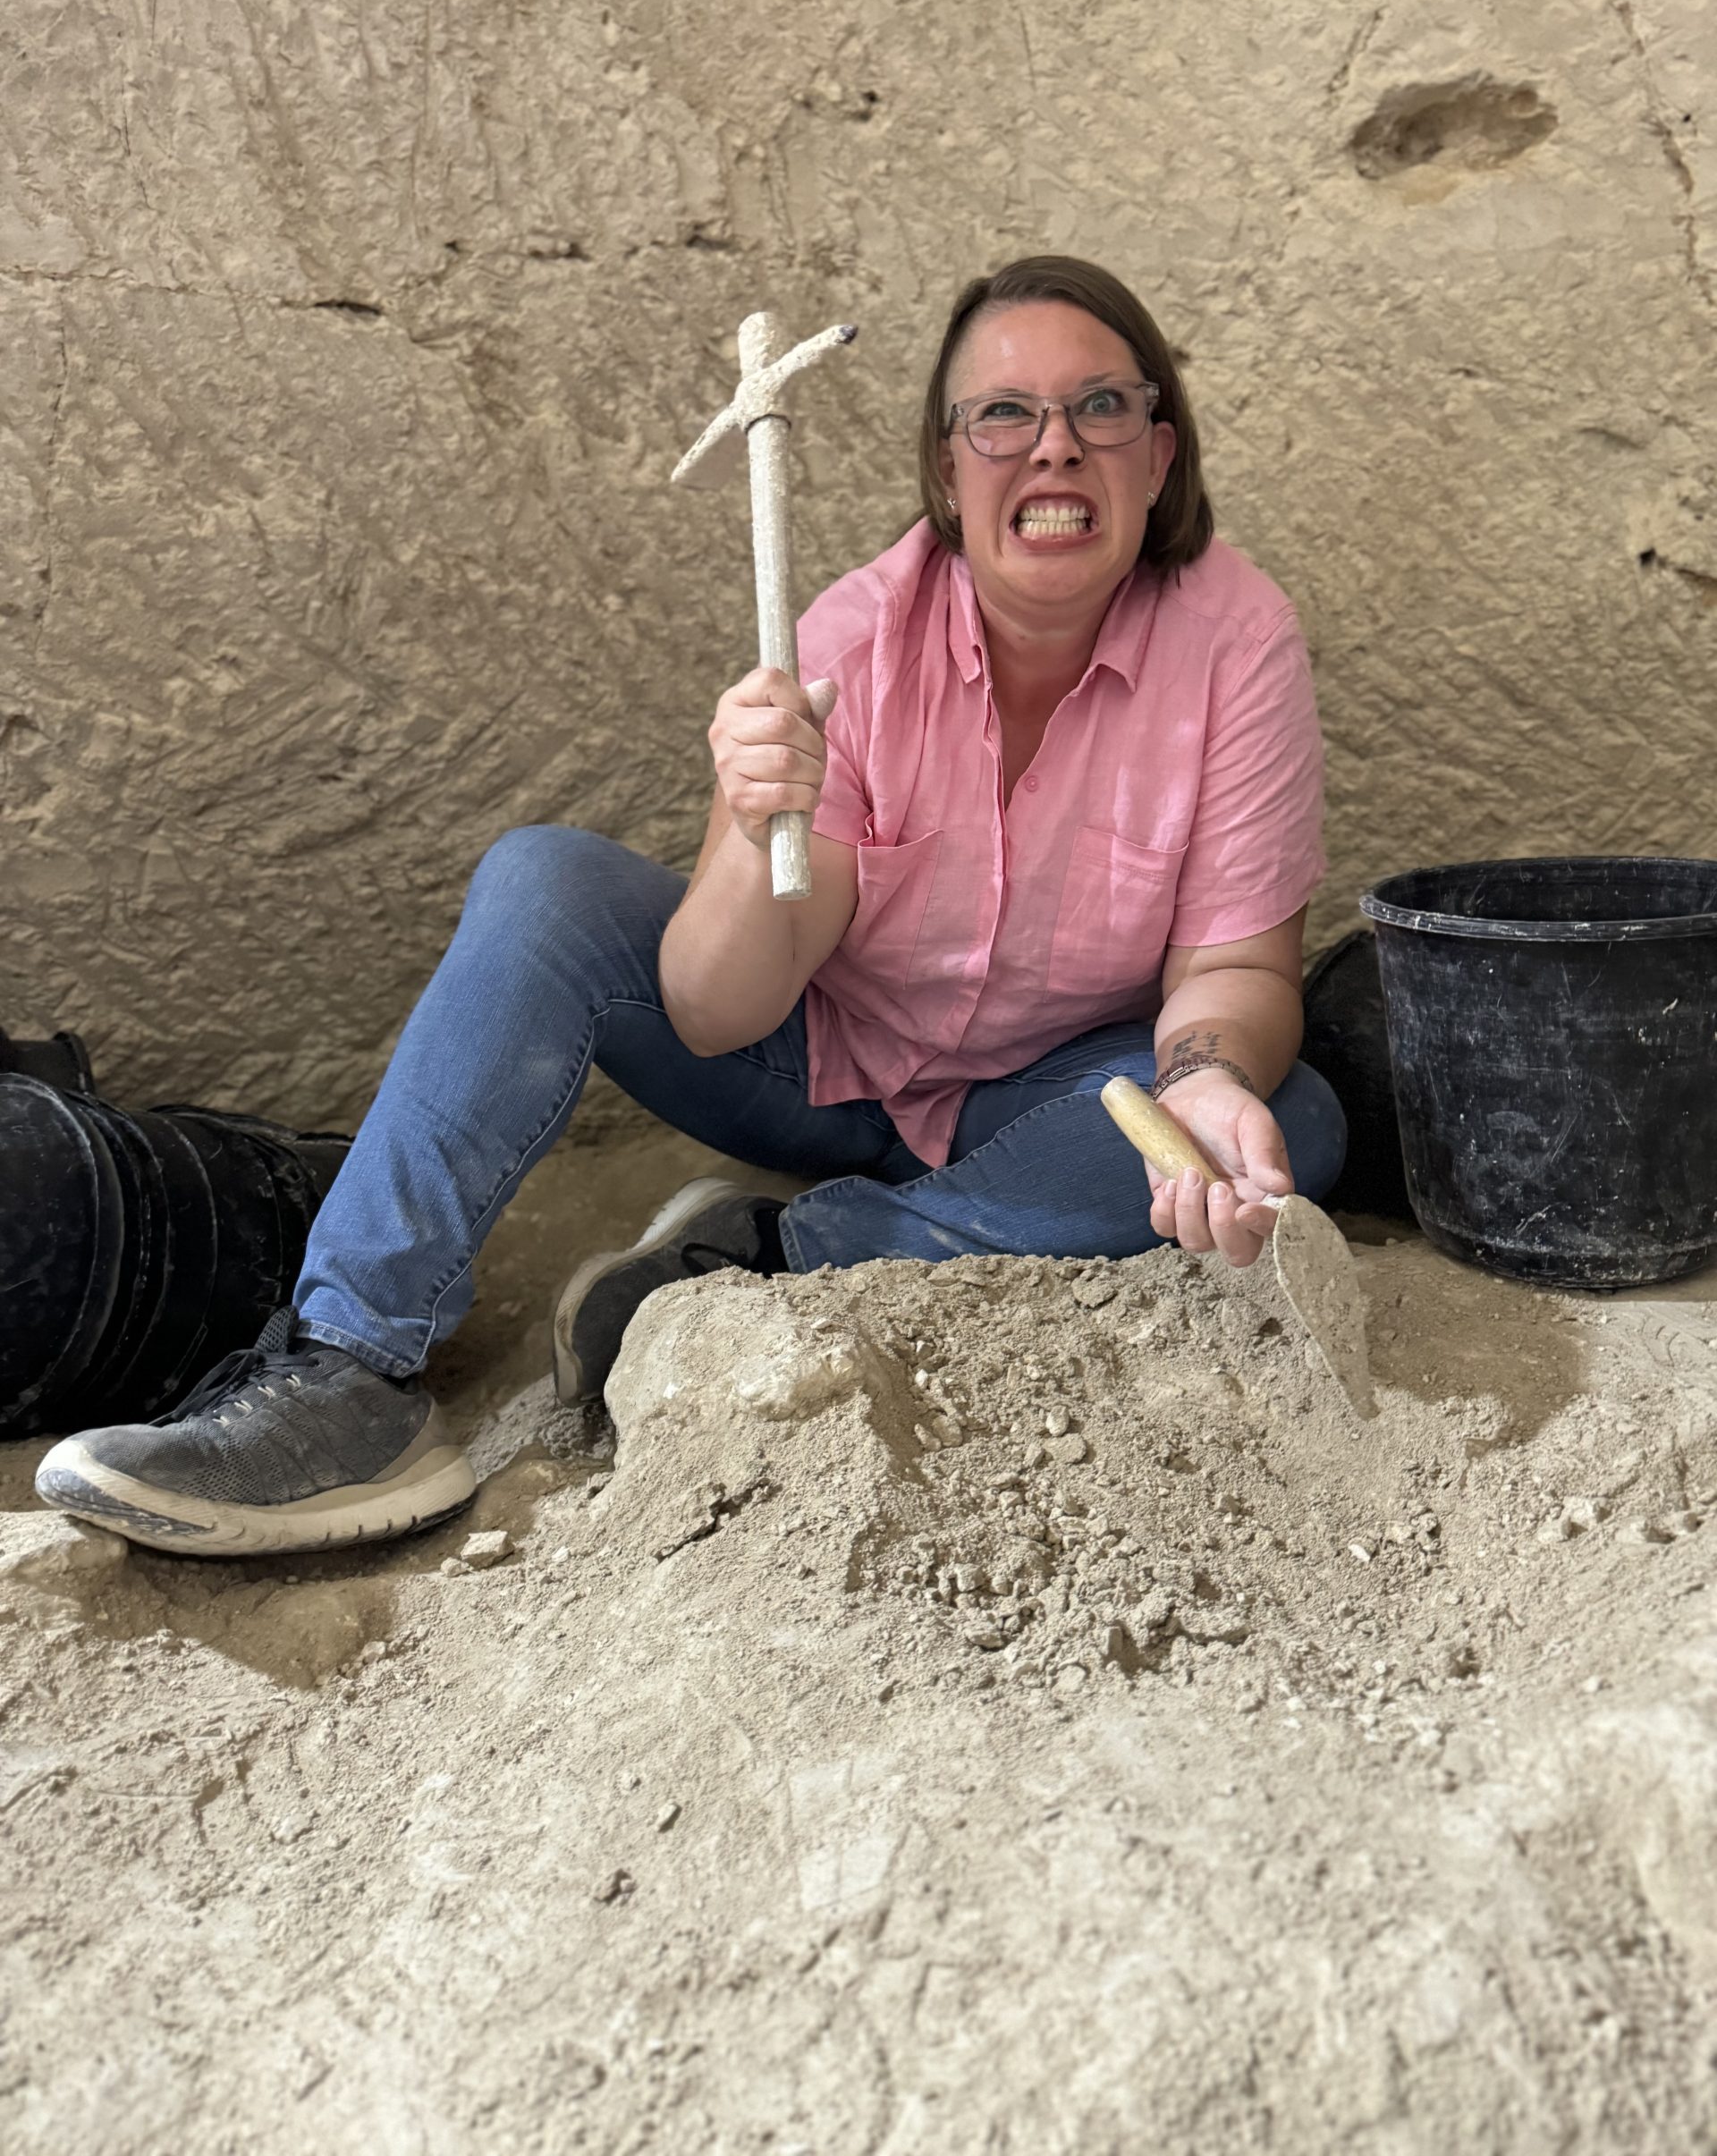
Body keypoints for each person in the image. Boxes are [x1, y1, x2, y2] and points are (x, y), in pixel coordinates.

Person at [35, 255, 1344, 1558]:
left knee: (1288, 1114)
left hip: (1055, 1100)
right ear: (948, 470)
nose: (1053, 450)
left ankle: (771, 1256)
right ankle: (349, 1372)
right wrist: (746, 825)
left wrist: (1212, 1080)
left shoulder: (1235, 643)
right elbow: (718, 1013)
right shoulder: (844, 642)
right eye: (1002, 415)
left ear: (1158, 453)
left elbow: (1236, 965)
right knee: (543, 878)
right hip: (808, 1068)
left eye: (1101, 409)